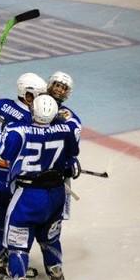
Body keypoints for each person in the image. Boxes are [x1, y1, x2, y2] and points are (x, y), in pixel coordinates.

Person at [0, 94, 81, 280]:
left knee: (18, 242)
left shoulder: (20, 131)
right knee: (51, 236)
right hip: (56, 194)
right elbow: (73, 147)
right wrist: (71, 163)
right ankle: (57, 275)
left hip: (29, 195)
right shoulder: (67, 129)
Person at [0, 73, 47, 280]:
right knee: (18, 224)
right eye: (38, 95)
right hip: (16, 180)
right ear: (27, 95)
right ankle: (14, 265)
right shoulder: (33, 118)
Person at [47, 71, 82, 219]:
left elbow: (71, 145)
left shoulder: (69, 118)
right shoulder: (35, 103)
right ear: (50, 84)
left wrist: (70, 160)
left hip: (54, 174)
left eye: (64, 88)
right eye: (57, 85)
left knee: (55, 219)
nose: (59, 90)